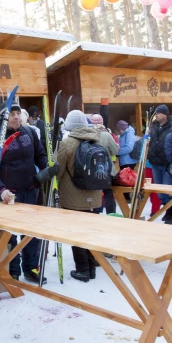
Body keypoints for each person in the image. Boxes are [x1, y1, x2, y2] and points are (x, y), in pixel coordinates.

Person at [0, 99, 57, 284]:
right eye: (12, 114)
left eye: (18, 113)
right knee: (9, 235)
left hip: (31, 189)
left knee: (31, 233)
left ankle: (31, 268)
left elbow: (40, 155)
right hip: (10, 195)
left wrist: (47, 168)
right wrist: (1, 190)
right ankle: (12, 270)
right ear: (4, 118)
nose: (16, 117)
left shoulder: (30, 132)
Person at [58, 110, 117, 282]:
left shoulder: (67, 144)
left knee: (76, 234)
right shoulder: (97, 139)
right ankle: (92, 266)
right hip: (95, 196)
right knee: (90, 232)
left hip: (73, 197)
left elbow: (58, 170)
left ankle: (83, 270)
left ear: (69, 126)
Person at [147, 105, 172, 224]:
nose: (156, 115)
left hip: (167, 162)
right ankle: (166, 209)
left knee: (167, 189)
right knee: (159, 190)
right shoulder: (153, 126)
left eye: (159, 113)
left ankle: (170, 213)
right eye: (156, 113)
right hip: (154, 161)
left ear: (165, 114)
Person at [90, 113, 119, 214]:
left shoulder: (86, 134)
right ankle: (111, 215)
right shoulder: (106, 135)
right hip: (106, 169)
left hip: (91, 170)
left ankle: (95, 215)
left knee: (94, 193)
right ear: (102, 122)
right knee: (108, 193)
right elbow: (115, 150)